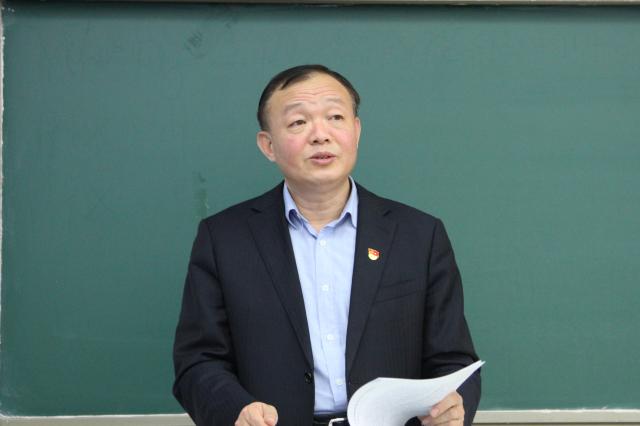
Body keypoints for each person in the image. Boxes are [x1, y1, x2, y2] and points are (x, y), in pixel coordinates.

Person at [173, 64, 481, 426]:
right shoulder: (224, 239)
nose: (320, 135)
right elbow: (198, 361)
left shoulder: (419, 235)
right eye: (298, 122)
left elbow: (454, 360)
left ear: (356, 131)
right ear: (268, 145)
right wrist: (235, 411)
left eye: (335, 117)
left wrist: (454, 407)